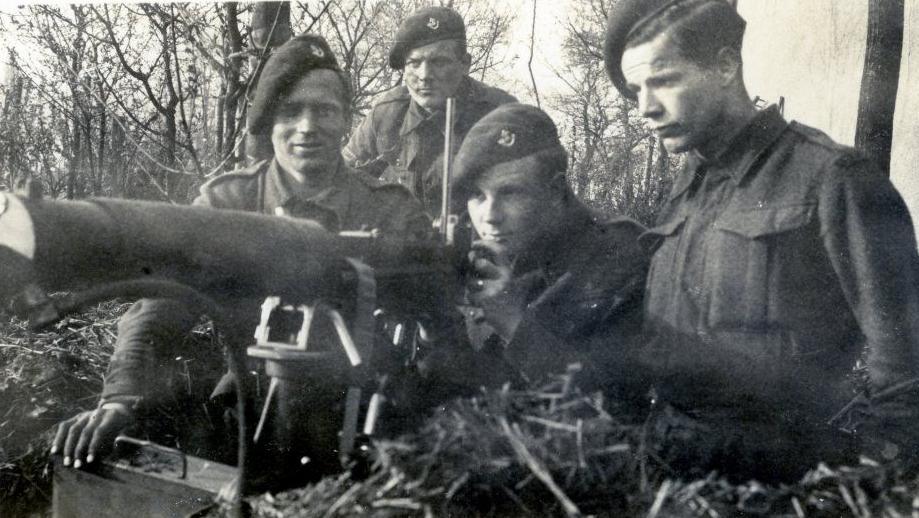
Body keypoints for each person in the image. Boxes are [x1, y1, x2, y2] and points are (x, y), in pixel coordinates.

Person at [51, 34, 429, 475]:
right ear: (269, 122)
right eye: (291, 111)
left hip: (370, 427)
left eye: (325, 110)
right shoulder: (229, 204)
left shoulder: (390, 208)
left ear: (346, 120)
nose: (308, 127)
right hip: (252, 417)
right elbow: (161, 304)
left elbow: (439, 322)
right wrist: (119, 399)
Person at [604, 0, 919, 475]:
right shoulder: (685, 188)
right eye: (636, 89)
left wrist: (872, 476)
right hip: (669, 470)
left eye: (664, 80)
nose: (646, 107)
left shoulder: (831, 177)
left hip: (778, 477)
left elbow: (906, 361)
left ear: (726, 65)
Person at [414, 103, 651, 397]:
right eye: (477, 195)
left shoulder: (619, 254)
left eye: (510, 193)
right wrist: (437, 329)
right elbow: (471, 394)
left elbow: (615, 405)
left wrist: (513, 323)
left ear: (556, 190)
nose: (489, 216)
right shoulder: (496, 255)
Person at [342, 5, 517, 214]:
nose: (424, 75)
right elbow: (340, 178)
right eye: (414, 63)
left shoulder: (500, 113)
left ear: (465, 64)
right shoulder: (387, 114)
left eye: (439, 62)